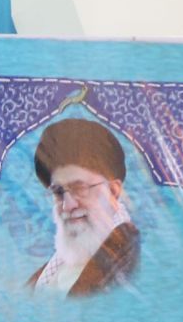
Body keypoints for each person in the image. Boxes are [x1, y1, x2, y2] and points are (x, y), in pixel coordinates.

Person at [27, 118, 139, 297]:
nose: (68, 205)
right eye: (58, 192)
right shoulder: (43, 278)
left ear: (113, 191)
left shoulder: (134, 262)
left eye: (80, 189)